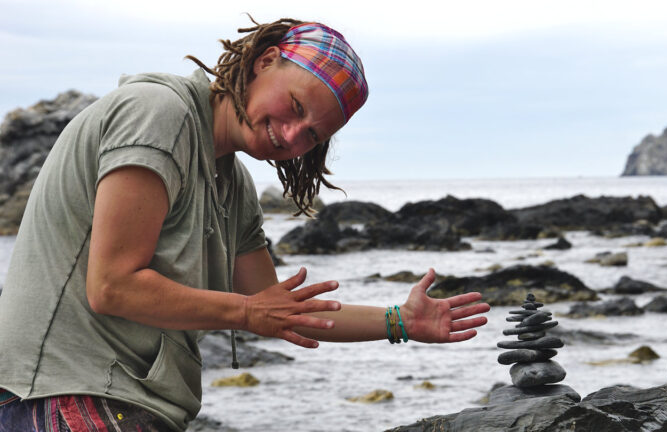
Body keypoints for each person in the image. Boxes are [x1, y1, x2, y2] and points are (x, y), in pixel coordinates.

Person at [0, 17, 490, 431]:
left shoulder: (232, 186)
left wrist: (401, 322)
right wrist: (243, 312)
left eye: (313, 136)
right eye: (296, 107)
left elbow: (280, 310)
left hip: (122, 402)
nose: (294, 135)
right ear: (265, 61)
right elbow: (112, 287)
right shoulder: (159, 114)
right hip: (62, 397)